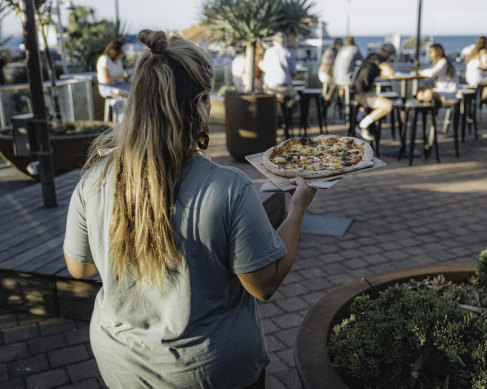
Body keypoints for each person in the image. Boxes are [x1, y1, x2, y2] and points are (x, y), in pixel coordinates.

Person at [63, 29, 316, 389]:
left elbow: (80, 265)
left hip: (122, 367)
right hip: (212, 371)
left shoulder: (94, 179)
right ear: (200, 104)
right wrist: (298, 209)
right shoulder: (228, 187)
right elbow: (264, 284)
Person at [351, 43, 396, 141]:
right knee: (388, 105)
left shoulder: (370, 58)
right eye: (390, 56)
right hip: (360, 94)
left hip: (356, 92)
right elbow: (390, 72)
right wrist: (387, 62)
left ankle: (361, 120)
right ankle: (362, 125)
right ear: (388, 53)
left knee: (382, 101)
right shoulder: (376, 57)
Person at [258, 32, 297, 102]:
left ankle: (278, 109)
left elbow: (266, 68)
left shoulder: (269, 52)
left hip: (271, 89)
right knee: (295, 96)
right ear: (284, 41)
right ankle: (288, 108)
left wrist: (259, 62)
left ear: (274, 41)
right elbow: (294, 72)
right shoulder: (289, 53)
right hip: (285, 88)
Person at [465, 36, 487, 101]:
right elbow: (485, 65)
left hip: (469, 78)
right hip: (477, 79)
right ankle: (483, 100)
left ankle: (481, 101)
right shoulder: (484, 51)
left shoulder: (473, 52)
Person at [318, 37, 343, 102]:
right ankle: (327, 97)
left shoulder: (332, 52)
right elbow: (330, 67)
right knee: (337, 83)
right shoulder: (331, 52)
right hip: (325, 74)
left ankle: (329, 97)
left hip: (325, 74)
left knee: (337, 83)